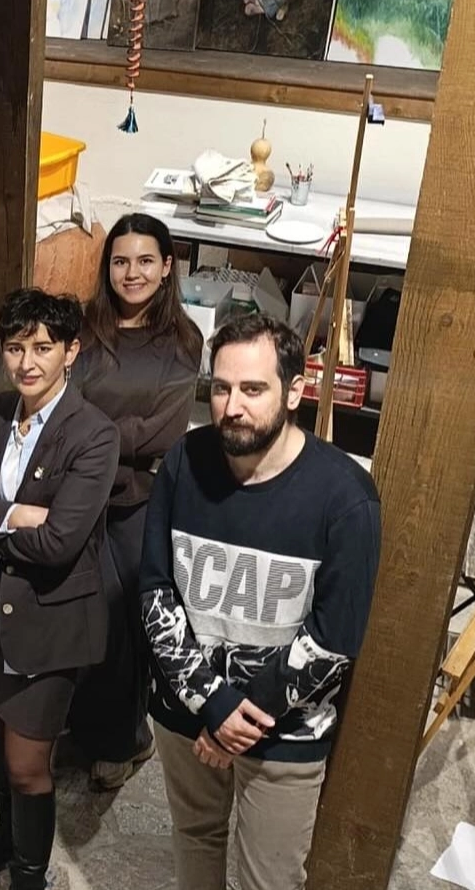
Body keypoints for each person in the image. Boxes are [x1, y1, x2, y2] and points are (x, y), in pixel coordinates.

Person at [138, 313, 381, 890]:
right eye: (221, 388)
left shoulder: (345, 496)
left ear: (294, 391)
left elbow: (334, 638)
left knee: (269, 879)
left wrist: (237, 717)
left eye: (253, 389)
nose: (233, 407)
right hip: (186, 709)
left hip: (283, 730)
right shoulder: (184, 461)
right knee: (195, 837)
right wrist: (211, 701)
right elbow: (155, 590)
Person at [0, 288, 119, 889]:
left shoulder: (93, 434)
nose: (27, 362)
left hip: (48, 616)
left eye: (43, 347)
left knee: (27, 761)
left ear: (71, 351)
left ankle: (30, 874)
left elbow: (59, 543)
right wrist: (15, 514)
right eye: (15, 348)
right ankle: (7, 834)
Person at [67, 213, 202, 791]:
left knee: (122, 625)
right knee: (75, 617)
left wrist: (90, 435)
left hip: (136, 502)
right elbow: (61, 403)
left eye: (146, 261)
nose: (132, 273)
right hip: (77, 495)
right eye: (120, 261)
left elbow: (162, 432)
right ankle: (88, 725)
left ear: (167, 266)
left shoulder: (183, 341)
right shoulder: (85, 326)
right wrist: (104, 437)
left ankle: (122, 741)